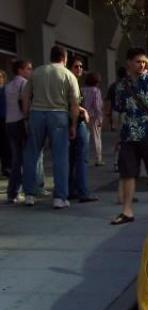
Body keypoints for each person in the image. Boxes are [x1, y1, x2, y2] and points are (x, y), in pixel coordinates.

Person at [111, 47, 148, 225]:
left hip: (147, 134)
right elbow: (119, 110)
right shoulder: (121, 85)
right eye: (138, 61)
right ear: (129, 63)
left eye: (145, 62)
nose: (142, 65)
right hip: (128, 135)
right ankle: (127, 211)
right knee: (128, 173)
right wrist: (118, 135)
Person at [21, 45, 80, 208]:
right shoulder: (69, 75)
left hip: (37, 114)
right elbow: (75, 104)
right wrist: (73, 124)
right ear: (65, 58)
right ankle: (60, 197)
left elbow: (25, 95)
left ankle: (29, 195)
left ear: (51, 56)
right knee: (60, 156)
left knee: (31, 154)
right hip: (59, 115)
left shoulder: (37, 72)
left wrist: (26, 115)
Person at [68, 58, 98, 202]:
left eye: (81, 66)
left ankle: (72, 189)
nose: (79, 68)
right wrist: (83, 110)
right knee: (81, 159)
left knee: (73, 159)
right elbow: (71, 103)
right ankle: (82, 192)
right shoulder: (70, 81)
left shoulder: (76, 83)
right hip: (76, 123)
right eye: (76, 66)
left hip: (74, 123)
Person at [4, 60, 32, 203]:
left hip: (9, 123)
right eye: (28, 68)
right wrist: (27, 115)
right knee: (24, 159)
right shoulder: (24, 83)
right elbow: (23, 102)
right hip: (20, 122)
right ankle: (19, 190)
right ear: (20, 70)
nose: (30, 71)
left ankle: (12, 192)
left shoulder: (8, 85)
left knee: (16, 158)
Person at [82, 72, 104, 166]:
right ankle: (98, 159)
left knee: (84, 138)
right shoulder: (96, 91)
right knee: (96, 138)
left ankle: (83, 158)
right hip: (94, 116)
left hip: (83, 115)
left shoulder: (82, 89)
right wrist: (100, 118)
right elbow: (97, 106)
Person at [104, 67, 126, 132]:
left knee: (115, 127)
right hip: (125, 108)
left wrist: (108, 110)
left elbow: (109, 98)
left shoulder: (114, 85)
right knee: (123, 126)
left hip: (115, 108)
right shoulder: (128, 85)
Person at [0, 69, 11, 177]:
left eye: (1, 77)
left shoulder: (6, 90)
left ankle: (6, 167)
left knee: (6, 145)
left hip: (5, 119)